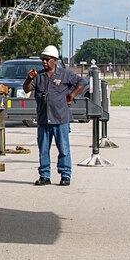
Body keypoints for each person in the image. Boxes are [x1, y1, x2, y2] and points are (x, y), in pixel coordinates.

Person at [23, 45, 86, 186]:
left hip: (60, 118)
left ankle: (65, 175)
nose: (44, 62)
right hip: (44, 119)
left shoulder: (65, 74)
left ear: (55, 60)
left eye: (47, 59)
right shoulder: (39, 76)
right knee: (43, 149)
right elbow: (27, 89)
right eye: (43, 60)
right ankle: (44, 175)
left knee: (63, 149)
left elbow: (83, 82)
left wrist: (72, 94)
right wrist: (28, 79)